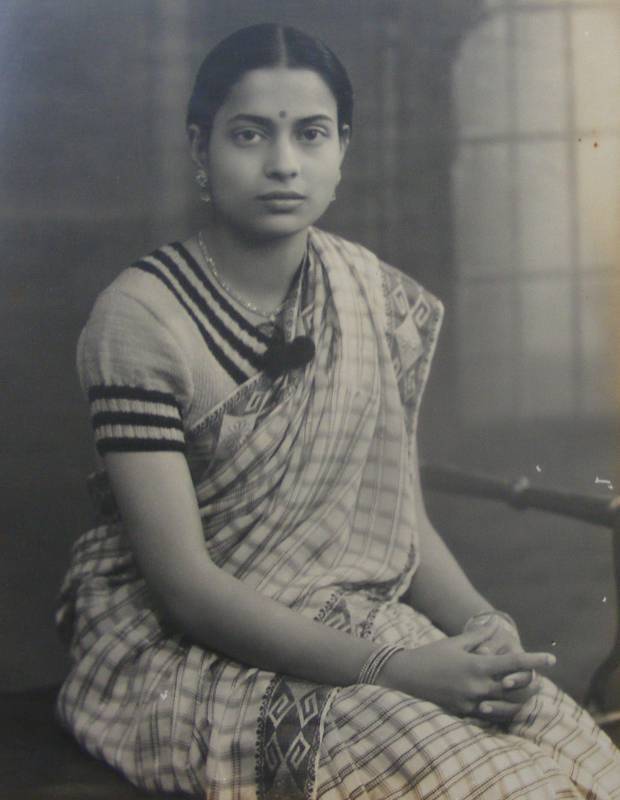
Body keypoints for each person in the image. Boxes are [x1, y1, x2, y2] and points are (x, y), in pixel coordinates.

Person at [56, 22, 620, 800]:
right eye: (250, 134)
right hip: (186, 650)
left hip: (350, 617)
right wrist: (397, 670)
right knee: (499, 780)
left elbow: (401, 522)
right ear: (199, 147)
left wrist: (484, 626)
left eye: (311, 134)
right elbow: (185, 589)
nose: (283, 162)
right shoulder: (142, 319)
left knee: (575, 748)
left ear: (342, 150)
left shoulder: (366, 293)